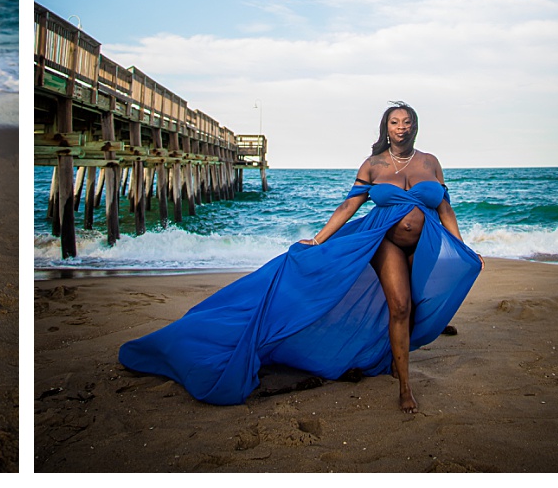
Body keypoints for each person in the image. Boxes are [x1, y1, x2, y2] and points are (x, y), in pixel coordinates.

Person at [118, 101, 483, 414]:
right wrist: (320, 238)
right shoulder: (373, 164)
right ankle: (405, 386)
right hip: (384, 242)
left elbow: (445, 208)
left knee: (418, 306)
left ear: (415, 127)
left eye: (407, 122)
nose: (401, 127)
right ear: (385, 128)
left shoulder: (431, 162)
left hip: (427, 243)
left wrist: (462, 248)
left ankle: (390, 357)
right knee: (400, 306)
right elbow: (349, 205)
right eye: (394, 122)